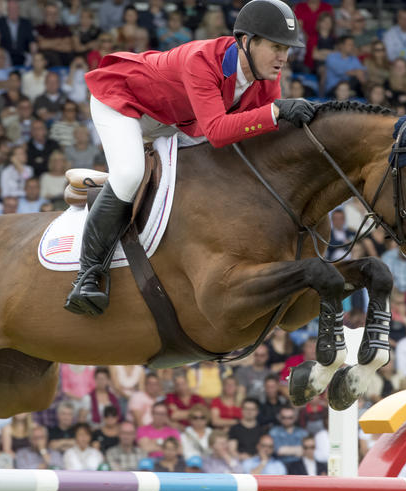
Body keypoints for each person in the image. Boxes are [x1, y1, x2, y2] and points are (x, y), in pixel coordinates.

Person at [66, 0, 314, 316]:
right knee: (129, 174)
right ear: (246, 42)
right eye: (277, 47)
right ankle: (87, 275)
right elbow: (219, 132)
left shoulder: (266, 78)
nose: (284, 57)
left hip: (176, 122)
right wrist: (275, 112)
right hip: (125, 104)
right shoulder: (202, 60)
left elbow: (261, 139)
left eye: (287, 49)